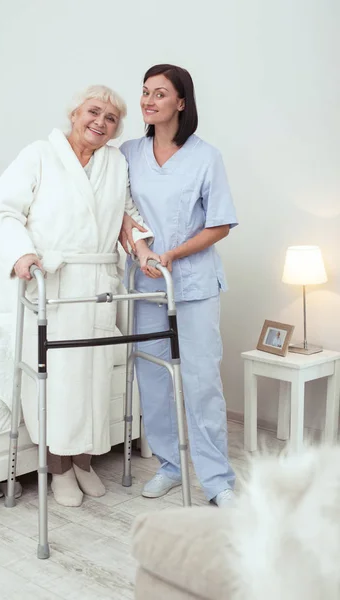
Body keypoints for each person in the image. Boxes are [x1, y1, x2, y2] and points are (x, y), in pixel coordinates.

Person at [0, 85, 158, 507]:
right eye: (93, 112)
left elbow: (126, 215)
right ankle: (57, 467)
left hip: (98, 286)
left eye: (111, 118)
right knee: (59, 383)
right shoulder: (38, 155)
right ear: (74, 114)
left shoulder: (115, 164)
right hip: (55, 283)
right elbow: (5, 211)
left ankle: (82, 462)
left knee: (94, 381)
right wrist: (22, 253)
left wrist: (143, 248)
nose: (100, 122)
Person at [120, 65, 238, 507]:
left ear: (181, 103)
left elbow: (221, 224)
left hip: (194, 283)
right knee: (153, 377)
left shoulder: (206, 157)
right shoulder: (129, 152)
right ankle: (170, 466)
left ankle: (217, 481)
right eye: (145, 93)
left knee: (202, 381)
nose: (149, 101)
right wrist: (142, 252)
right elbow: (121, 213)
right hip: (147, 283)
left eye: (160, 94)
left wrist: (173, 254)